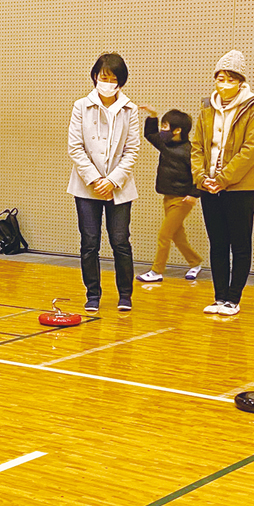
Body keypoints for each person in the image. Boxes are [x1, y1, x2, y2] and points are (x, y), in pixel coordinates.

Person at [191, 50, 254, 316]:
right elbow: (198, 146)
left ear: (240, 81)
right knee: (217, 243)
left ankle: (233, 298)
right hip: (209, 187)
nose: (223, 84)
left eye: (229, 79)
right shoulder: (206, 107)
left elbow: (250, 149)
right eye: (220, 78)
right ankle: (219, 296)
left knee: (240, 244)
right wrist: (202, 177)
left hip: (239, 188)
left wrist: (222, 179)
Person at [67, 53, 139, 312]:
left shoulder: (130, 109)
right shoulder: (81, 106)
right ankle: (93, 295)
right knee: (89, 242)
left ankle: (125, 296)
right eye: (103, 76)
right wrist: (96, 179)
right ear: (95, 76)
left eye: (113, 78)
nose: (107, 81)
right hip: (87, 187)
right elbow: (75, 148)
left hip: (118, 188)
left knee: (120, 241)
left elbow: (132, 150)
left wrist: (112, 181)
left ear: (121, 81)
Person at [135, 107, 203, 283]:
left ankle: (157, 271)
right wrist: (152, 116)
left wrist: (194, 194)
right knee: (177, 235)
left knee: (164, 235)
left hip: (182, 199)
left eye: (165, 126)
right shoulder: (166, 145)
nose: (162, 130)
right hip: (168, 197)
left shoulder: (189, 150)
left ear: (177, 130)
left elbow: (198, 173)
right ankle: (195, 262)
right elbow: (150, 135)